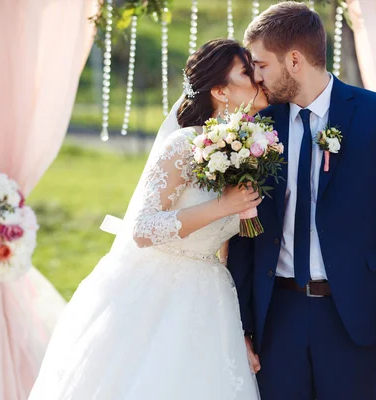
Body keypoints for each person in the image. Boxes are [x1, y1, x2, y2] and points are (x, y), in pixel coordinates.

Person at [28, 38, 269, 400]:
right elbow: (143, 228)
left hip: (212, 298)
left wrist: (239, 331)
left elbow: (225, 244)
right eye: (247, 72)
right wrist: (224, 205)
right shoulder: (186, 145)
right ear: (220, 90)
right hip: (157, 294)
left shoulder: (245, 147)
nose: (258, 79)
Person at [228, 3, 376, 399]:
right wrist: (242, 327)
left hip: (354, 318)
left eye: (262, 65)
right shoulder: (258, 128)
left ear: (294, 60)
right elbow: (244, 233)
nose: (256, 76)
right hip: (277, 317)